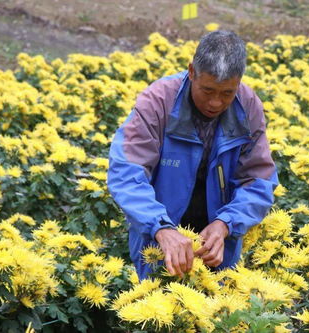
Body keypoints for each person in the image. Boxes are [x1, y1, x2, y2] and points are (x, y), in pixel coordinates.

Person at [108, 30, 278, 280]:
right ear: (191, 72)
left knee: (218, 311)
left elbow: (258, 180)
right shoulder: (157, 102)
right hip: (157, 237)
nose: (216, 103)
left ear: (239, 82)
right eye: (208, 91)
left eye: (227, 93)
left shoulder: (248, 107)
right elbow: (126, 173)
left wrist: (226, 224)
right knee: (156, 312)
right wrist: (161, 227)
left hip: (218, 244)